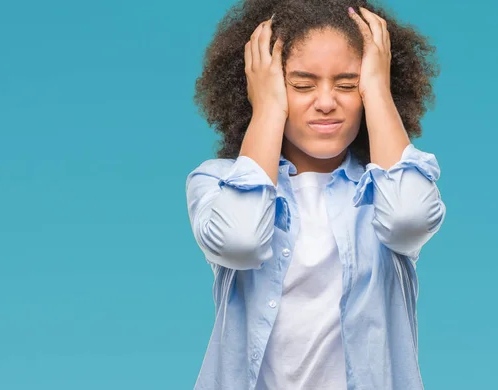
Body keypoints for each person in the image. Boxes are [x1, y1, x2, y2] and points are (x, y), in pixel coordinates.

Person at [185, 1, 447, 389]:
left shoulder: (386, 191)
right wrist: (269, 110)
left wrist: (377, 90)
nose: (326, 103)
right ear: (263, 87)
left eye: (348, 84)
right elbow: (239, 242)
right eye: (303, 85)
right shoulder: (218, 182)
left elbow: (409, 219)